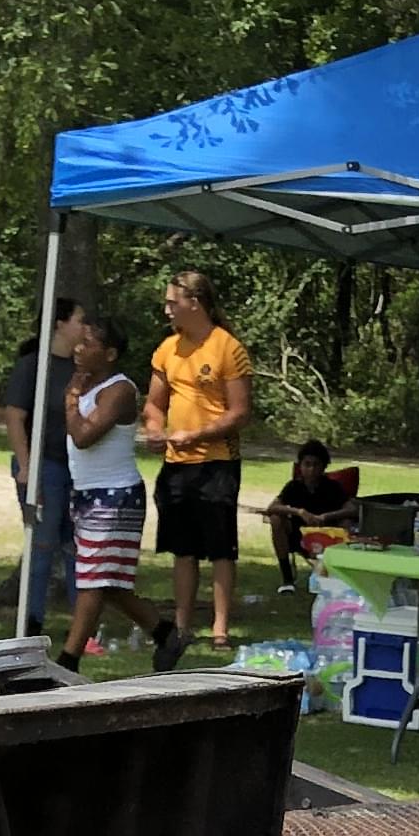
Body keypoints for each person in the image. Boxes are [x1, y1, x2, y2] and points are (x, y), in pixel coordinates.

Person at [143, 266, 252, 651]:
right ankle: (183, 626)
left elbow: (239, 412)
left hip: (217, 462)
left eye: (173, 303)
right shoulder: (167, 348)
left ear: (195, 302)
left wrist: (197, 434)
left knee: (221, 547)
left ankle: (220, 628)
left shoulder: (227, 347)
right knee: (183, 548)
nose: (167, 310)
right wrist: (156, 432)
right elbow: (154, 404)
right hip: (176, 466)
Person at [57, 310, 160, 665]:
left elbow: (85, 436)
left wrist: (71, 401)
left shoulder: (119, 390)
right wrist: (74, 395)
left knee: (93, 580)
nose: (79, 349)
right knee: (109, 583)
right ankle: (165, 633)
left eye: (89, 343)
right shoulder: (83, 383)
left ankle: (68, 659)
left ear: (110, 354)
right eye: (79, 341)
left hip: (115, 495)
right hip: (88, 494)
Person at [1, 299, 81, 628]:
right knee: (42, 545)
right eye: (79, 320)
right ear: (59, 324)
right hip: (43, 468)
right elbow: (15, 417)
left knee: (76, 547)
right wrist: (26, 467)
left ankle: (83, 625)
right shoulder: (33, 365)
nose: (84, 327)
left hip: (75, 470)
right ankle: (31, 621)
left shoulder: (80, 369)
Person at [264, 437, 354, 589]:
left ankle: (337, 575)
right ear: (300, 466)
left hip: (328, 536)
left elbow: (352, 509)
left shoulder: (332, 487)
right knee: (276, 519)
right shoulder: (294, 486)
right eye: (307, 464)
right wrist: (300, 512)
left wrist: (326, 517)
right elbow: (272, 507)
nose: (311, 469)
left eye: (316, 465)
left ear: (324, 467)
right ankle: (287, 579)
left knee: (347, 522)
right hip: (299, 536)